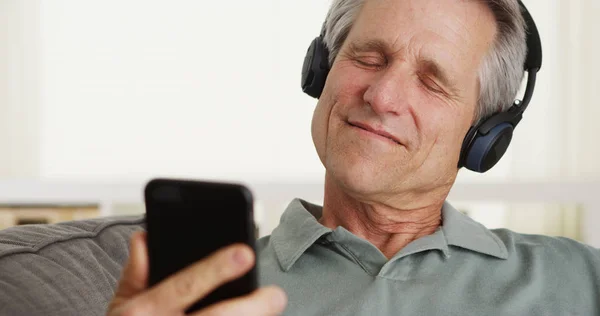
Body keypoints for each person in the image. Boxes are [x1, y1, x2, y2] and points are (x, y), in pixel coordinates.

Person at [108, 0, 600, 315]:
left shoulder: (580, 278)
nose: (382, 95)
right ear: (320, 72)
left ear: (483, 134)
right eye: (369, 57)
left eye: (431, 81)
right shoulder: (200, 293)